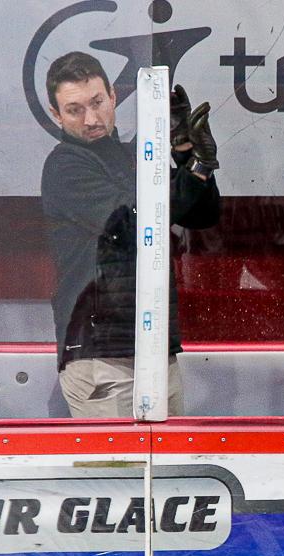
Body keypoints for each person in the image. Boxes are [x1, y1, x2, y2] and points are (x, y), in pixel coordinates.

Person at [40, 51, 221, 417]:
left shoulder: (133, 157)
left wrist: (188, 155)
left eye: (97, 102)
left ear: (113, 96)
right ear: (56, 115)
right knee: (118, 474)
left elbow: (202, 214)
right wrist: (195, 170)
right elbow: (133, 222)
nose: (91, 119)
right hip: (102, 356)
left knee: (171, 473)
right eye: (75, 110)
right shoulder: (65, 165)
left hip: (155, 350)